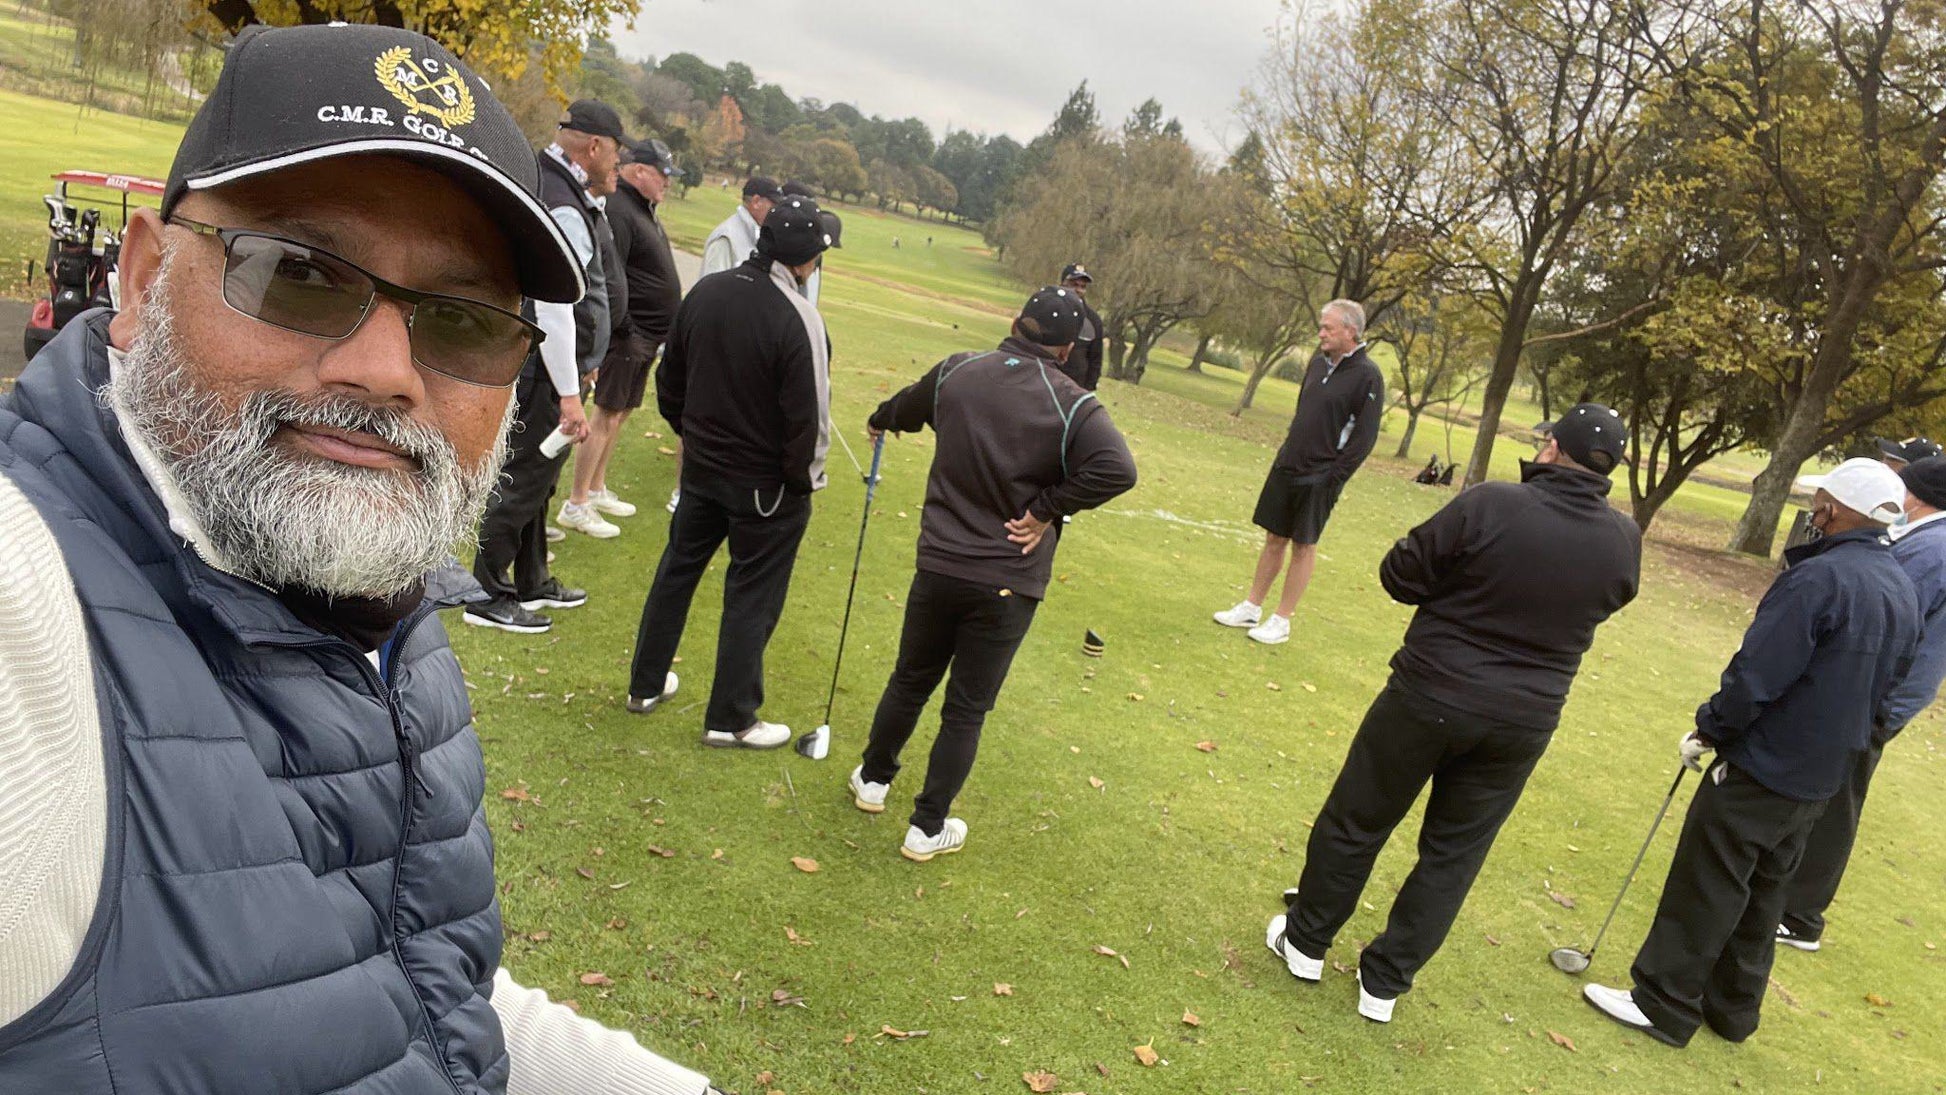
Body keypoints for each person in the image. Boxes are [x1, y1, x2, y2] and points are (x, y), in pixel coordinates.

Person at [0, 23, 720, 1094]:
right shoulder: (29, 617)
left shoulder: (371, 604)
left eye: (463, 320)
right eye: (297, 272)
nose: (387, 371)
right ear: (144, 279)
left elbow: (418, 992)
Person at [1265, 404, 1641, 1023]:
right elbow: (1403, 576)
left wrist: (1466, 591)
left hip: (1433, 695)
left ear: (1553, 450)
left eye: (1546, 441)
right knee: (1453, 853)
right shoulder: (1622, 538)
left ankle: (1308, 943)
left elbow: (1404, 570)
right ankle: (1382, 981)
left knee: (1360, 817)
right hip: (1523, 718)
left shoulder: (1495, 503)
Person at [1585, 458, 1919, 1048]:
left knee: (1710, 880)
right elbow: (1886, 691)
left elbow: (1757, 676)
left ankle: (1662, 1002)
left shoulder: (1817, 579)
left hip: (1766, 764)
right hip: (1823, 774)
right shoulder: (1899, 585)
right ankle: (1733, 1010)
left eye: (1821, 501)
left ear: (1835, 510)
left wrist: (1710, 730)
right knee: (1766, 890)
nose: (1814, 509)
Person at [850, 286, 1138, 861]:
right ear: (1066, 349)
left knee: (912, 678)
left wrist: (1045, 507)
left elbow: (903, 407)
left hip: (942, 565)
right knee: (965, 706)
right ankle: (922, 824)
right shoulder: (1073, 400)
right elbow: (1118, 469)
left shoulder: (961, 369)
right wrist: (1046, 510)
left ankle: (875, 781)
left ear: (1015, 322)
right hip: (1006, 578)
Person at [626, 197, 834, 747]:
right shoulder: (801, 318)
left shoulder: (708, 292)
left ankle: (644, 685)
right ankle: (732, 718)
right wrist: (802, 483)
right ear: (808, 260)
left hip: (703, 470)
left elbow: (669, 382)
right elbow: (808, 421)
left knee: (677, 571)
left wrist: (691, 436)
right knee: (752, 595)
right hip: (764, 487)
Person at [1775, 455, 1946, 951]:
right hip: (1884, 693)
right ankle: (1792, 902)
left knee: (1835, 803)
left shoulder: (1931, 548)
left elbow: (1881, 617)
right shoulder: (1929, 542)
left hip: (1877, 697)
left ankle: (1800, 914)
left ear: (1915, 495)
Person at [468, 98, 625, 628]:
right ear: (597, 146)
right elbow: (555, 309)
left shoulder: (563, 188)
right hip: (545, 371)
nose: (614, 165)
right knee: (523, 477)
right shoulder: (560, 198)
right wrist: (569, 392)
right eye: (615, 153)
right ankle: (483, 593)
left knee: (540, 481)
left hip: (557, 369)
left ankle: (531, 580)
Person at [1213, 300, 1384, 644]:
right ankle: (1251, 607)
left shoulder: (1368, 376)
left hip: (1321, 476)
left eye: (1328, 328)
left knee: (1303, 545)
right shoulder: (1317, 363)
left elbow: (1364, 439)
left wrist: (1332, 478)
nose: (1320, 333)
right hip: (1289, 464)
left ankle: (1282, 620)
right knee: (1274, 537)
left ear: (1351, 332)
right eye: (1321, 326)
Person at [562, 138, 681, 536]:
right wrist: (625, 326)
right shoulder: (620, 208)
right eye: (663, 174)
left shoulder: (644, 209)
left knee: (622, 412)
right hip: (628, 334)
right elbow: (615, 275)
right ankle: (577, 500)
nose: (668, 183)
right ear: (640, 171)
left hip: (647, 335)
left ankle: (596, 487)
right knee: (606, 412)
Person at [700, 175, 782, 276]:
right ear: (756, 202)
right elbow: (711, 287)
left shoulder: (756, 236)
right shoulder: (726, 238)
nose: (776, 212)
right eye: (773, 206)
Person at [1058, 262, 1104, 391]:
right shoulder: (1048, 310)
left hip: (1074, 389)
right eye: (1074, 285)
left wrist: (1088, 391)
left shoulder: (1093, 320)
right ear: (1062, 284)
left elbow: (1095, 360)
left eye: (1083, 286)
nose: (1078, 290)